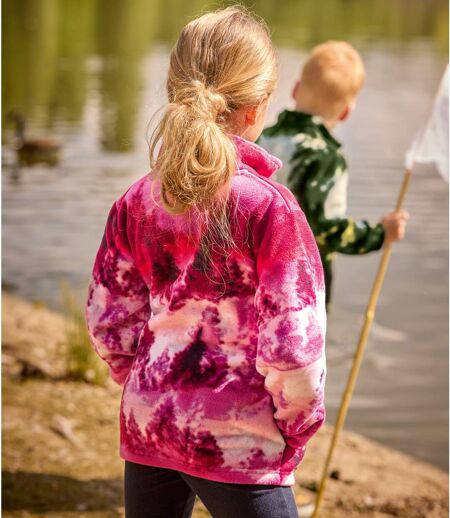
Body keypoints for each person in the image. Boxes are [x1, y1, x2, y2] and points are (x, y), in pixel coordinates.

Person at [85, 7, 326, 518]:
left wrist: (147, 383)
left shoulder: (137, 200)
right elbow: (295, 349)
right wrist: (297, 426)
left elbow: (109, 322)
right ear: (256, 108)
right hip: (242, 439)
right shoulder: (271, 210)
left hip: (149, 424)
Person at [258, 41, 409, 310]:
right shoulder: (326, 159)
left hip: (253, 277)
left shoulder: (260, 139)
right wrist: (379, 233)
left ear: (295, 89)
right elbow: (326, 229)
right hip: (297, 291)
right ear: (346, 112)